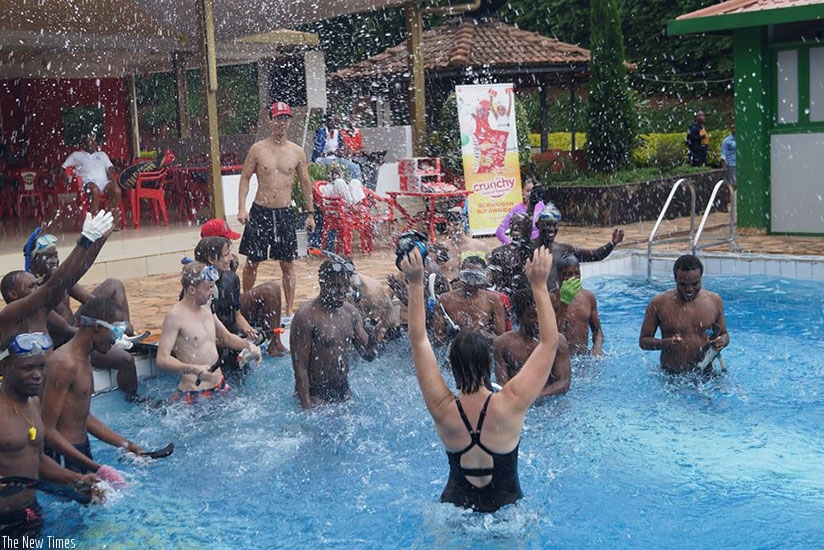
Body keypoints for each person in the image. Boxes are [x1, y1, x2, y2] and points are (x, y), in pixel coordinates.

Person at [400, 246, 559, 513]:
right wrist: (539, 286)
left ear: (451, 366)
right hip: (507, 515)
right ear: (488, 363)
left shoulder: (442, 408)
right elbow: (549, 343)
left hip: (453, 512)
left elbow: (419, 342)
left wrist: (415, 283)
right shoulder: (510, 403)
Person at [0, 331, 101, 537]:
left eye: (41, 366)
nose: (37, 375)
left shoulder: (33, 402)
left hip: (30, 513)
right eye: (27, 368)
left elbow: (36, 458)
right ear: (4, 367)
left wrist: (76, 478)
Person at [23, 228, 141, 399]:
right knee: (126, 360)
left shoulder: (60, 278)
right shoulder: (37, 295)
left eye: (55, 255)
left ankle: (125, 332)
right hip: (69, 343)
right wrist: (104, 332)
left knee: (113, 284)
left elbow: (90, 300)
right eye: (48, 257)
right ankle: (132, 400)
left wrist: (113, 321)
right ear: (34, 263)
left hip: (76, 328)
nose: (54, 260)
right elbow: (65, 329)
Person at [41, 297, 143, 475]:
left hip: (79, 451)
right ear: (97, 327)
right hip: (64, 457)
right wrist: (96, 468)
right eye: (115, 332)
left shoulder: (84, 358)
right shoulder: (64, 364)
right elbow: (47, 429)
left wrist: (125, 443)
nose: (116, 340)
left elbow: (81, 416)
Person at [237, 102, 315, 319]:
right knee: (252, 261)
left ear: (289, 121)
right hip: (260, 211)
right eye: (278, 118)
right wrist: (242, 207)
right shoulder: (258, 149)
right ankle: (246, 304)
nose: (281, 123)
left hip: (285, 213)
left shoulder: (297, 152)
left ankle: (289, 310)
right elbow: (245, 178)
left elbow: (305, 183)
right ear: (270, 121)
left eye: (285, 119)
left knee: (287, 263)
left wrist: (310, 213)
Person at [0, 213, 112, 354]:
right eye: (31, 286)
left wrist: (97, 240)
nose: (37, 288)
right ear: (13, 294)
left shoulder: (41, 310)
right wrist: (85, 240)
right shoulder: (10, 314)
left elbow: (71, 277)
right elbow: (54, 284)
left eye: (36, 285)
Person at [156, 263, 260, 404]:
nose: (213, 292)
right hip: (193, 393)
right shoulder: (175, 317)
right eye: (209, 287)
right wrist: (194, 369)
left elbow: (226, 337)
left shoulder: (207, 308)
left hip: (220, 386)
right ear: (192, 290)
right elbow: (162, 359)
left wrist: (248, 346)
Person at [289, 258, 374, 409]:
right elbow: (300, 368)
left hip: (344, 392)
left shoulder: (350, 312)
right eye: (336, 286)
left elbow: (368, 356)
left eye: (345, 285)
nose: (342, 291)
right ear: (322, 284)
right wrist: (307, 410)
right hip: (317, 396)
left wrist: (373, 335)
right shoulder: (306, 316)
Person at [198, 219, 288, 356]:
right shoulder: (199, 284)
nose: (231, 256)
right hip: (211, 337)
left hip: (225, 326)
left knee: (272, 288)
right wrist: (240, 343)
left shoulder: (229, 277)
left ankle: (274, 343)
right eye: (227, 249)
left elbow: (235, 313)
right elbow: (200, 335)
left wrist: (249, 331)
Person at [639, 255, 730, 374]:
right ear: (675, 279)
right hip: (671, 375)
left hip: (706, 374)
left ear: (701, 278)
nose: (689, 289)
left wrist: (722, 341)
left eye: (695, 284)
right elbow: (643, 342)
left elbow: (724, 334)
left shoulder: (714, 301)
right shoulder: (659, 303)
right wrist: (667, 343)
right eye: (683, 284)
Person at [494, 288, 571, 397]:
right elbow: (502, 387)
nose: (539, 320)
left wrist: (532, 397)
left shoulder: (557, 340)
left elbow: (564, 383)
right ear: (519, 317)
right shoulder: (503, 344)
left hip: (550, 403)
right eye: (532, 316)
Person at [531, 202, 624, 291]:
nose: (551, 229)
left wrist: (612, 243)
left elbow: (595, 255)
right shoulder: (529, 248)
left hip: (559, 303)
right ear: (537, 225)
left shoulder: (563, 249)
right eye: (547, 225)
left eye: (554, 225)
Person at [433, 256, 506, 345]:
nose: (470, 282)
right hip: (454, 351)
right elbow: (438, 339)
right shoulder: (445, 300)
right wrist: (456, 333)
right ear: (460, 275)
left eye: (476, 277)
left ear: (484, 277)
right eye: (466, 276)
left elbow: (500, 340)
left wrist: (481, 335)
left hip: (482, 351)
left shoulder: (493, 300)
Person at [62, 131, 123, 228]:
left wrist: (113, 176)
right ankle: (94, 222)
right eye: (89, 141)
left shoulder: (102, 154)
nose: (92, 143)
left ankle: (110, 219)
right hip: (88, 182)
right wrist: (66, 176)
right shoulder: (76, 155)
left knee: (117, 190)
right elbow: (63, 168)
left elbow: (110, 168)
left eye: (93, 141)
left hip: (104, 182)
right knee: (94, 190)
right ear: (83, 144)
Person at [553, 253, 604, 356]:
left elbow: (598, 331)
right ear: (559, 276)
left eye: (577, 273)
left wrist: (597, 347)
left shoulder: (588, 297)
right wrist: (564, 303)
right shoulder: (551, 299)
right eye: (568, 274)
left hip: (583, 358)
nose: (574, 278)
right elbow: (552, 335)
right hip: (561, 359)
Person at [439, 208, 491, 282]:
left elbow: (489, 272)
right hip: (450, 290)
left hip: (472, 288)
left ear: (463, 225)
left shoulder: (479, 246)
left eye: (456, 225)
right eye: (449, 225)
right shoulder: (442, 248)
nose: (452, 228)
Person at [494, 179, 544, 245]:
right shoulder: (516, 209)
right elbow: (499, 231)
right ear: (523, 191)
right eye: (528, 191)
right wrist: (510, 245)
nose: (530, 194)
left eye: (533, 191)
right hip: (524, 247)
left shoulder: (541, 205)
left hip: (539, 246)